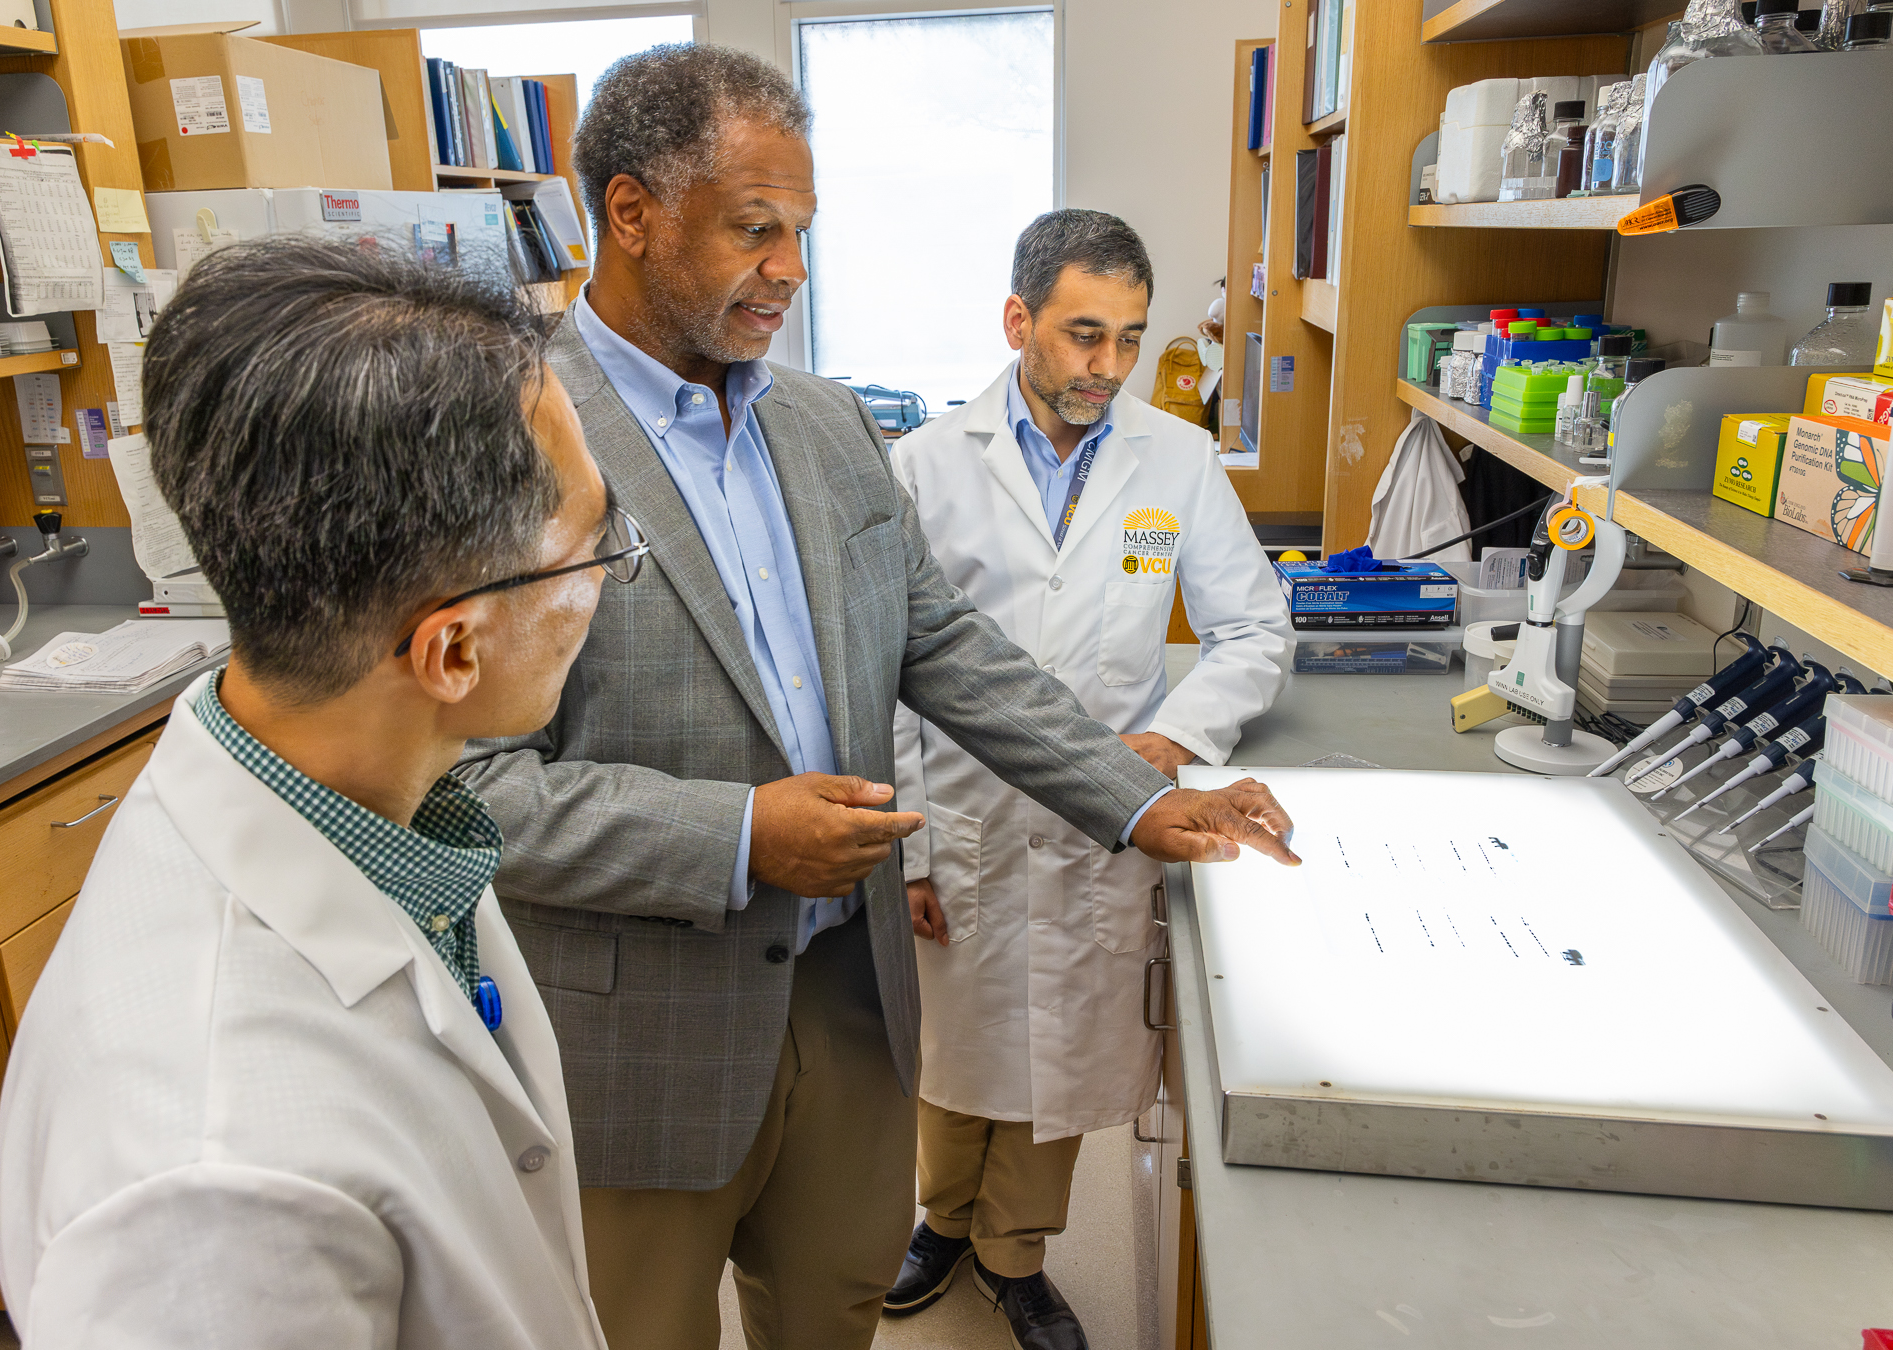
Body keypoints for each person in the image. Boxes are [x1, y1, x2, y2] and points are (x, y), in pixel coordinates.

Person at [452, 43, 1298, 1350]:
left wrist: (1143, 801)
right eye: (755, 229)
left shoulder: (826, 425)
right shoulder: (506, 439)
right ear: (631, 214)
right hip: (645, 1030)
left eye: (801, 231)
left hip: (850, 993)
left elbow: (948, 646)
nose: (791, 267)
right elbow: (464, 793)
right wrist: (739, 837)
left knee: (835, 1306)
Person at [0, 239, 630, 1350]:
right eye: (593, 542)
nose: (608, 576)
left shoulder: (366, 803)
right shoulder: (212, 1189)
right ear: (451, 653)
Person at [884, 210, 1292, 1348]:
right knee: (949, 1044)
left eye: (1125, 339)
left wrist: (1172, 742)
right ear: (1017, 322)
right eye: (1079, 336)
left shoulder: (1176, 459)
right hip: (956, 814)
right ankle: (941, 1222)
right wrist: (907, 844)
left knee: (1057, 1054)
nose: (1104, 368)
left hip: (1103, 821)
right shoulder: (922, 467)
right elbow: (883, 671)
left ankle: (1015, 1255)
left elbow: (1252, 630)